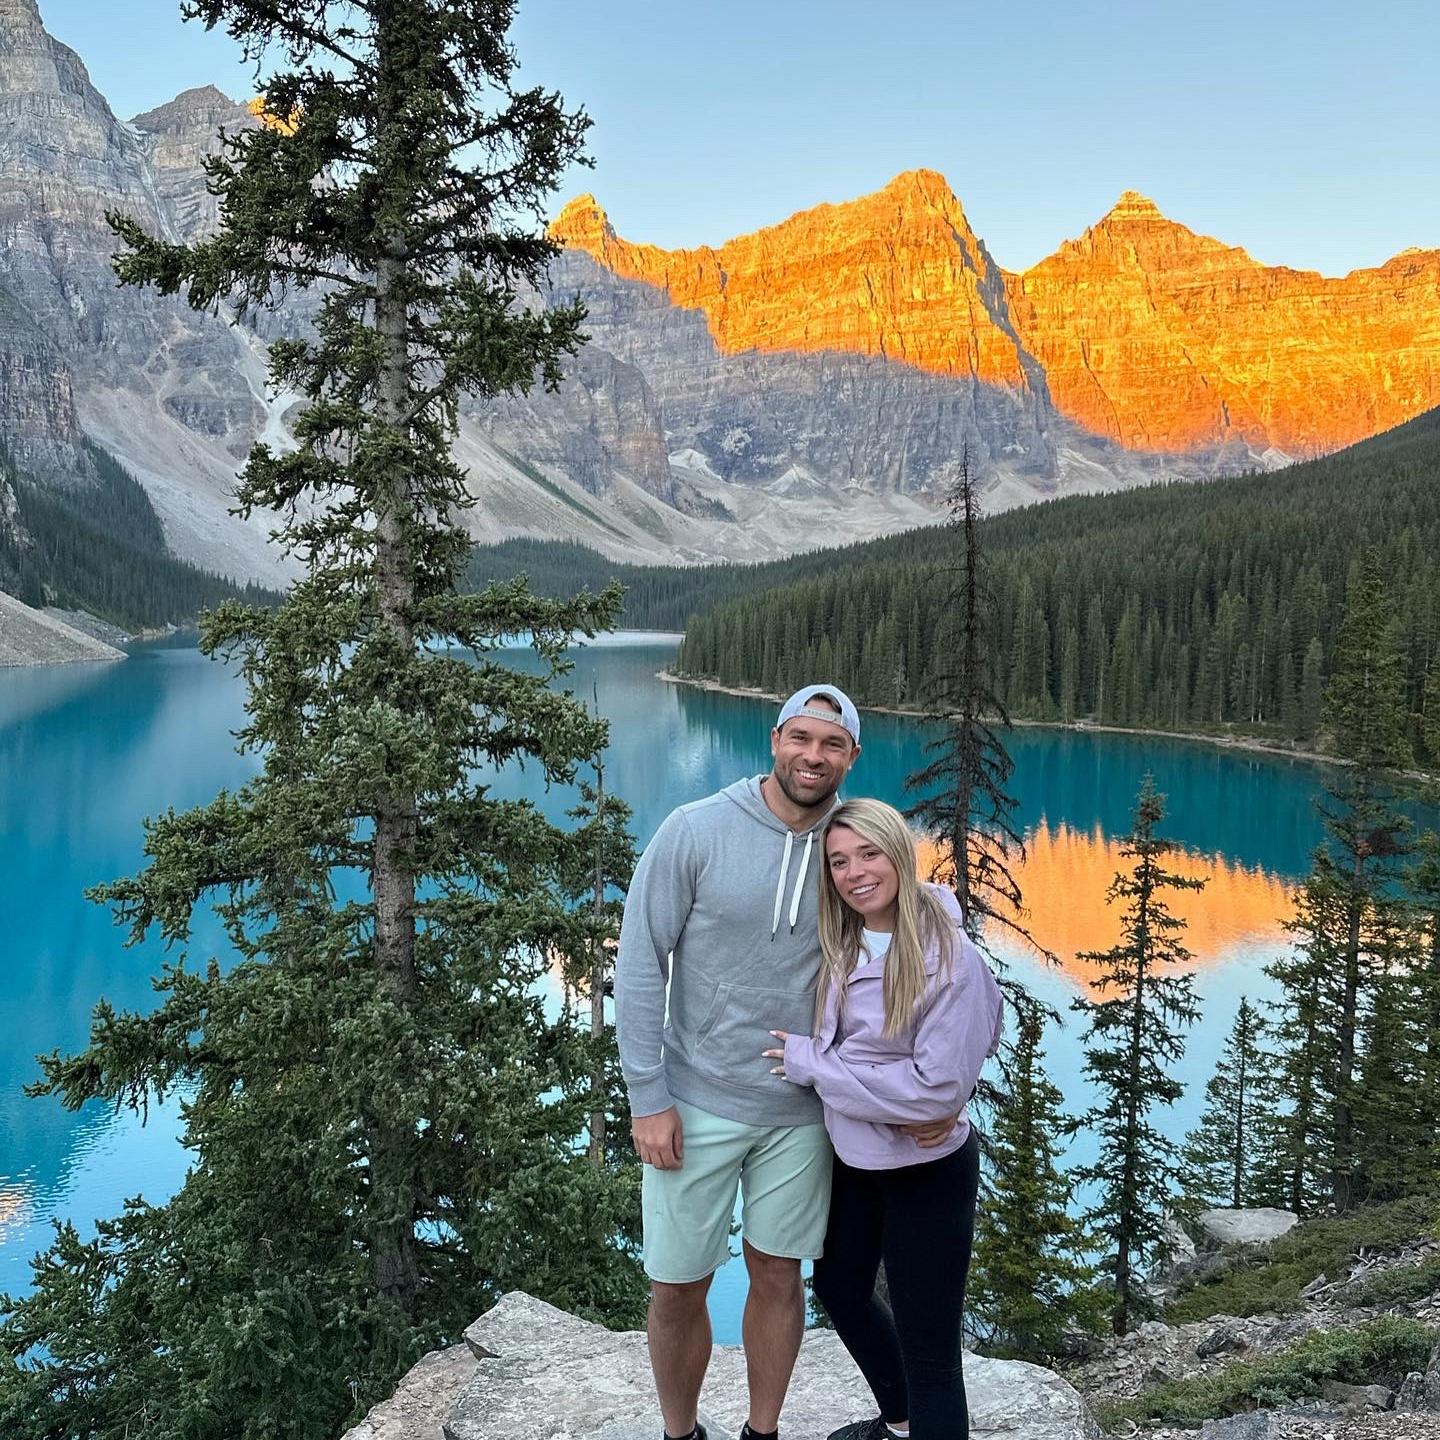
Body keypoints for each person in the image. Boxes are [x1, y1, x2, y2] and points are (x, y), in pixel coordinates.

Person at [616, 687, 958, 1440]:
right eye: (801, 738)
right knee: (677, 1285)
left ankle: (761, 1433)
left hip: (804, 1111)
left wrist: (945, 1090)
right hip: (695, 1099)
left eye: (831, 744)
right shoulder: (695, 829)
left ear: (852, 757)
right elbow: (641, 962)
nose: (814, 756)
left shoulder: (851, 851)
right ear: (775, 739)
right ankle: (681, 1434)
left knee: (779, 1276)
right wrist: (647, 1096)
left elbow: (923, 953)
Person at [765, 798, 1003, 1440]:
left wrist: (815, 1066)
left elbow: (932, 1090)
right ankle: (900, 1424)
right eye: (839, 861)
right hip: (855, 1157)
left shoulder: (950, 960)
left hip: (927, 1170)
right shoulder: (840, 940)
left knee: (931, 1352)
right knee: (841, 1288)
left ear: (898, 852)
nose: (855, 872)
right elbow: (980, 1034)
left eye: (869, 853)